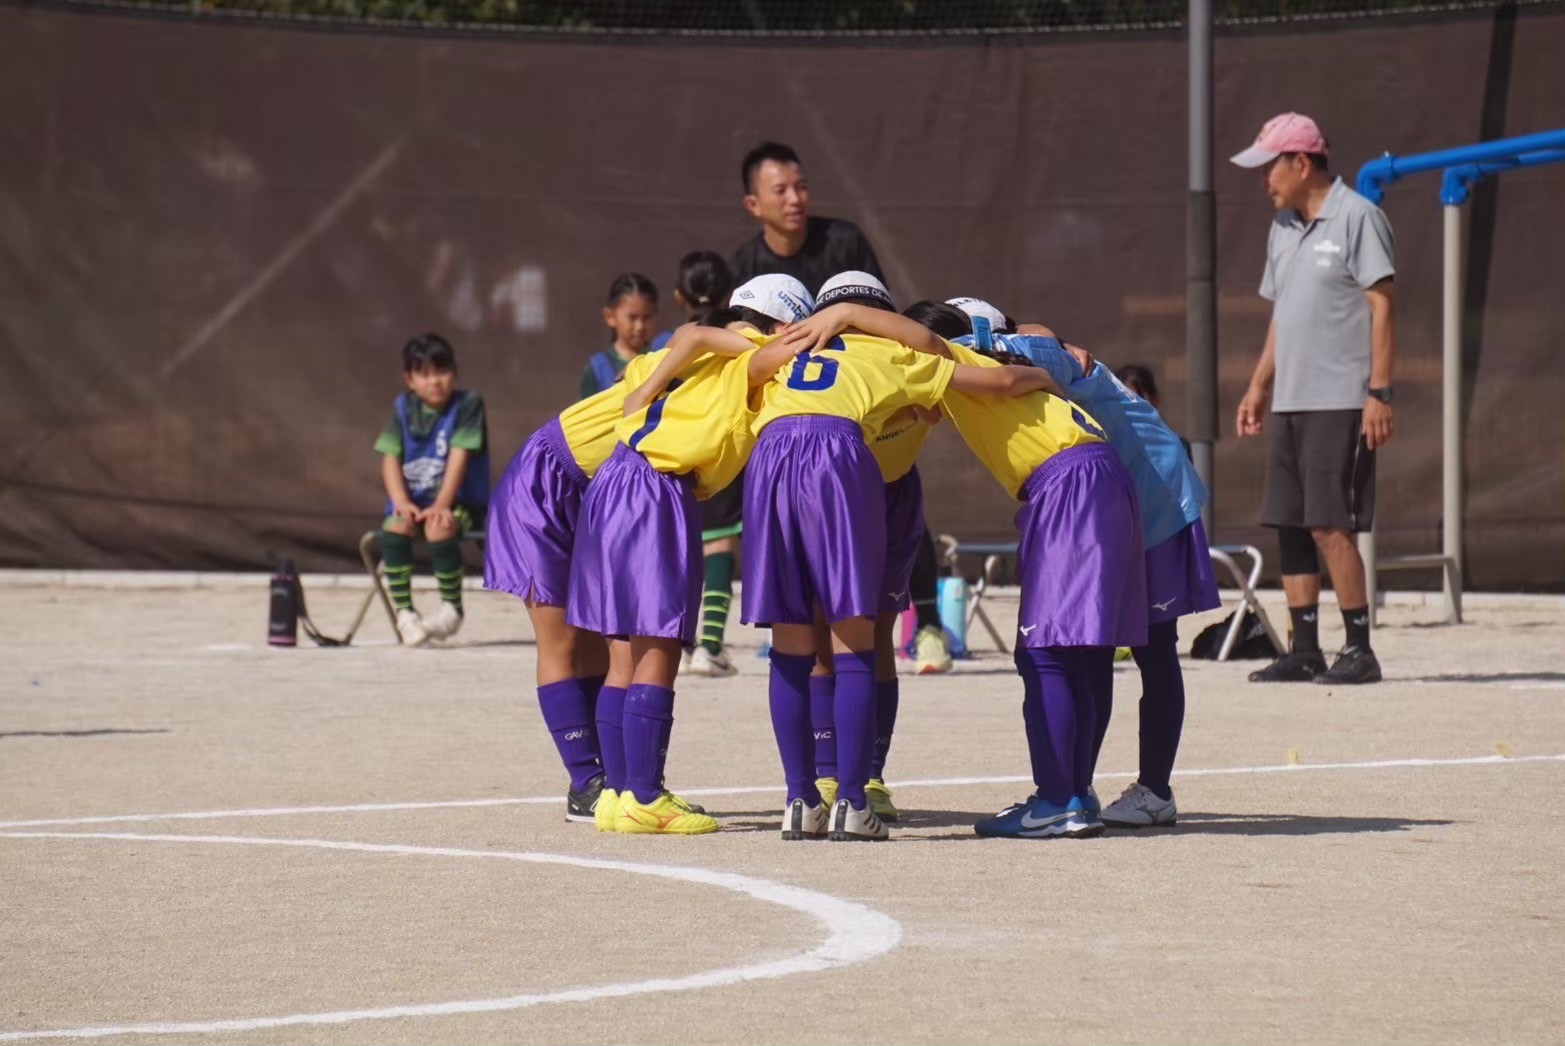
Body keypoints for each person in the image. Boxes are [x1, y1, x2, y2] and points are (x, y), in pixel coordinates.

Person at [790, 300, 1141, 840]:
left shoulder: (960, 358)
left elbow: (929, 346)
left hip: (1065, 484)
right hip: (1101, 474)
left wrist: (847, 316)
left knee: (1043, 654)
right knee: (1082, 654)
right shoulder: (997, 363)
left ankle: (1055, 800)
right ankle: (1075, 794)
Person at [757, 274, 1066, 842]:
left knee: (792, 640)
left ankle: (801, 798)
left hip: (774, 459)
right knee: (860, 639)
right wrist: (1045, 374)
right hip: (838, 461)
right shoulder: (898, 355)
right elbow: (993, 383)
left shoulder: (795, 347)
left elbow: (739, 365)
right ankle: (853, 797)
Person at [944, 300, 1219, 828]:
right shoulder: (1012, 366)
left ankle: (1154, 789)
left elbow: (1050, 341)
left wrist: (983, 339)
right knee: (1092, 650)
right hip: (1114, 506)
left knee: (1153, 649)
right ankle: (1074, 788)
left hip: (1156, 497)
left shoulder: (1036, 349)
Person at [567, 275, 809, 835]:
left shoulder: (673, 356)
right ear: (780, 323)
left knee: (622, 650)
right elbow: (712, 334)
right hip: (658, 487)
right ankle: (646, 796)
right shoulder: (747, 359)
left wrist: (648, 388)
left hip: (614, 479)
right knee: (660, 643)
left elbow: (693, 335)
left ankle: (619, 795)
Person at [1232, 112, 1396, 686]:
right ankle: (1305, 649)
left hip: (1341, 399)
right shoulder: (1282, 227)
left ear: (1301, 164)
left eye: (1270, 168)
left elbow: (1381, 307)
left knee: (1330, 521)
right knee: (1290, 522)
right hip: (1290, 401)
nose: (1264, 181)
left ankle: (1359, 650)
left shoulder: (1359, 217)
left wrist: (1379, 392)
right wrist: (1258, 385)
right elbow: (1283, 314)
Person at [484, 343, 676, 824]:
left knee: (596, 635)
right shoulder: (689, 356)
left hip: (594, 495)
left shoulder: (696, 371)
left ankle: (612, 778)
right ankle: (583, 780)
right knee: (562, 640)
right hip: (542, 486)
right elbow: (699, 334)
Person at [649, 251, 748, 678]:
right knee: (721, 545)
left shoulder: (667, 342)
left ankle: (680, 642)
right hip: (722, 449)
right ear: (730, 292)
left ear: (678, 295)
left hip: (675, 454)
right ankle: (709, 645)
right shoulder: (738, 335)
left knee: (681, 550)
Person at [374, 333, 489, 647]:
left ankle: (451, 610)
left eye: (442, 371)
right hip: (414, 501)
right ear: (409, 379)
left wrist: (441, 504)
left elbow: (459, 456)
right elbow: (389, 457)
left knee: (439, 526)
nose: (435, 381)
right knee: (395, 525)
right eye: (424, 374)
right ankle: (405, 615)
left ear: (454, 371)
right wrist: (400, 501)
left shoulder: (467, 405)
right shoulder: (403, 408)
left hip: (459, 503)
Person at [731, 141, 885, 295]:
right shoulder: (743, 266)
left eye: (801, 187)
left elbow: (880, 310)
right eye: (780, 190)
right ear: (753, 205)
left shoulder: (847, 241)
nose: (795, 199)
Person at [579, 273, 659, 400]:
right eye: (632, 318)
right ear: (610, 317)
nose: (640, 326)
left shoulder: (660, 358)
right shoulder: (598, 367)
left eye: (647, 317)